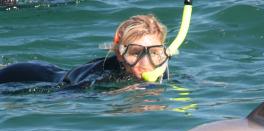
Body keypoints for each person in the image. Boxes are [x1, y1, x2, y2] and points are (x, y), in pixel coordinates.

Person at [0, 14, 170, 90]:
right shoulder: (102, 75)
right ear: (119, 55)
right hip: (27, 75)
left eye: (154, 53)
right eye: (135, 52)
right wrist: (113, 93)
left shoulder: (162, 70)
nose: (145, 63)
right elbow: (68, 94)